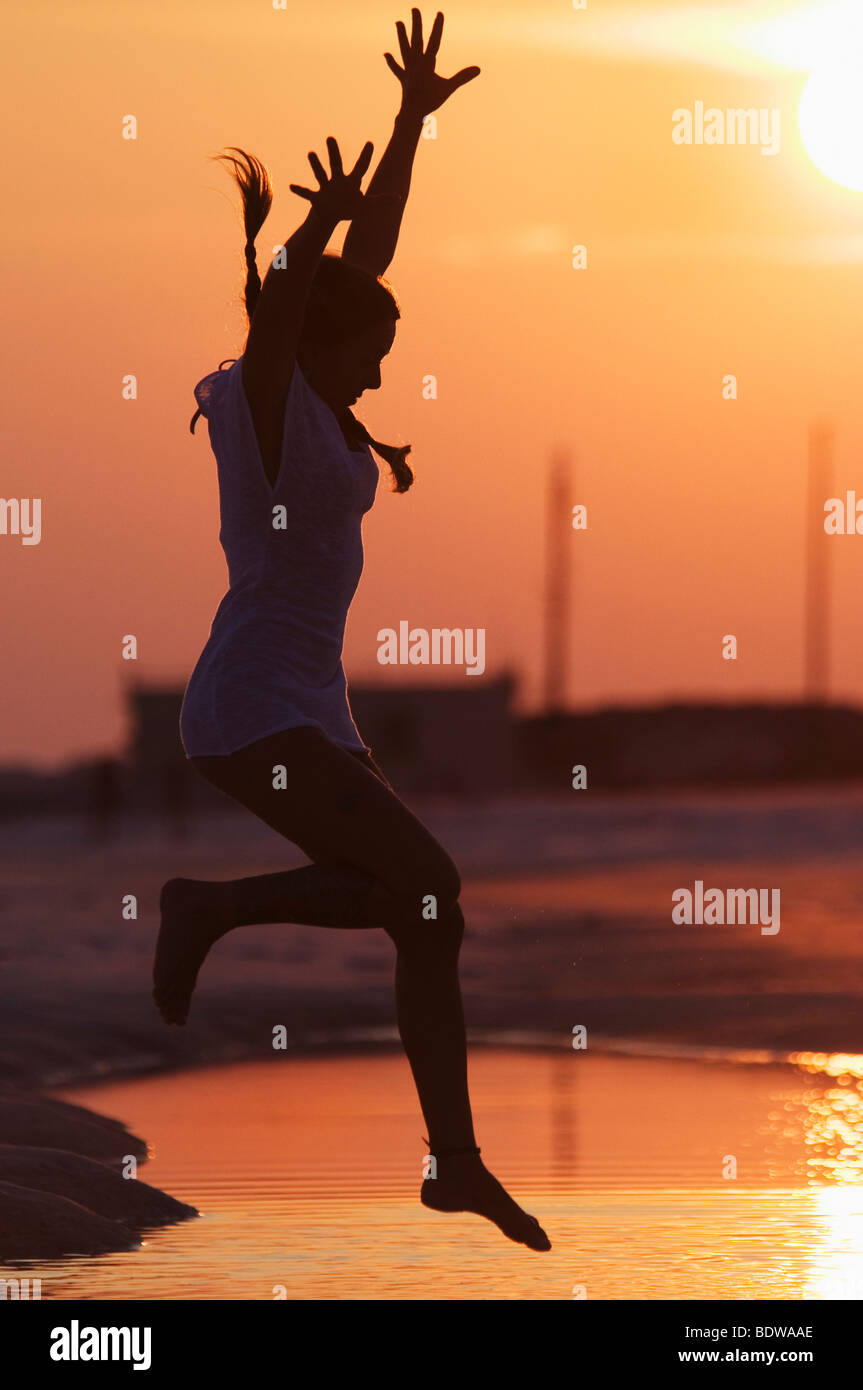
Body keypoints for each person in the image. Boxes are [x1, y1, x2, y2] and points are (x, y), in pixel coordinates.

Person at [154, 8, 550, 1253]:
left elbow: (352, 272)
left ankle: (455, 1164)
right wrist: (309, 231)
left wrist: (406, 127)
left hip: (304, 707)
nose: (381, 372)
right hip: (247, 709)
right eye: (370, 351)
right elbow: (289, 305)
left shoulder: (317, 399)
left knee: (421, 908)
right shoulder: (261, 405)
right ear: (319, 344)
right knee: (427, 883)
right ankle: (205, 910)